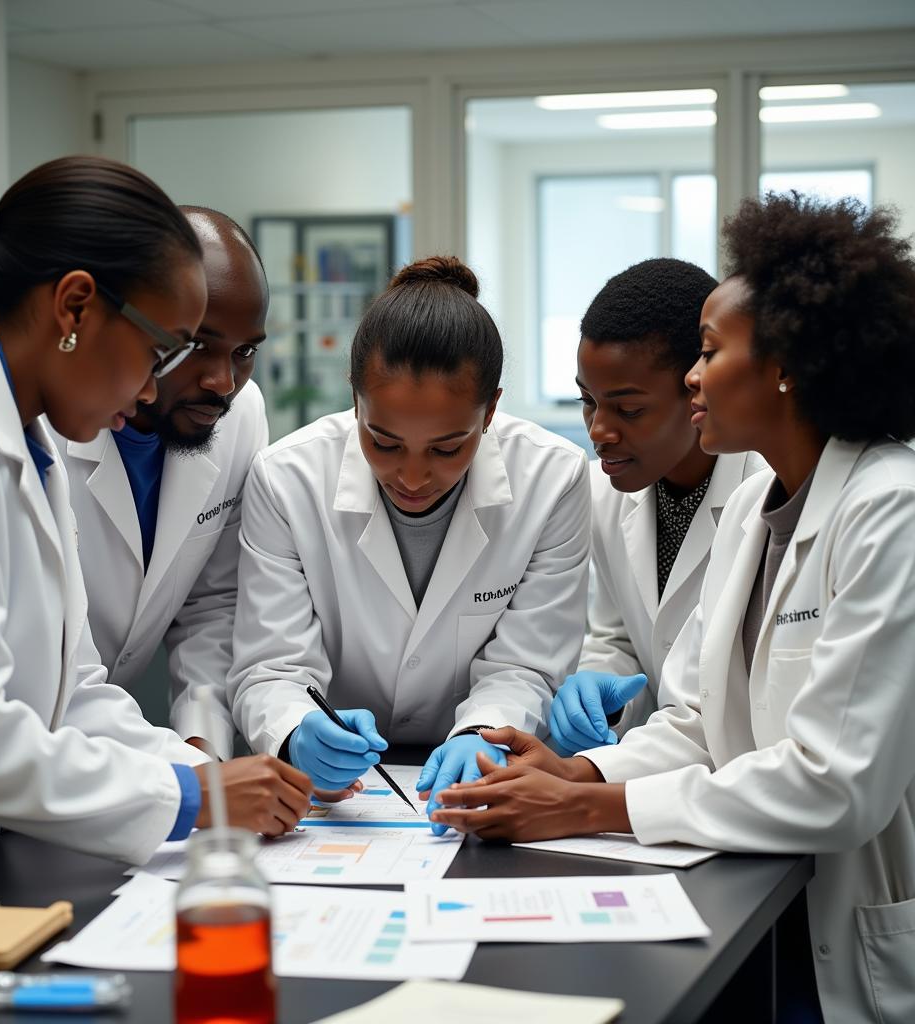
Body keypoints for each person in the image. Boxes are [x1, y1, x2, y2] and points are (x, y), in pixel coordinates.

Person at [432, 193, 915, 1023]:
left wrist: (591, 806)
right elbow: (698, 717)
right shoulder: (769, 499)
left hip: (855, 920)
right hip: (761, 904)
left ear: (787, 365)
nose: (693, 375)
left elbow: (839, 784)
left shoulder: (891, 509)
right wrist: (574, 768)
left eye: (709, 350)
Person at [0, 157, 311, 883]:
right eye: (159, 351)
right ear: (76, 306)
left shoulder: (30, 436)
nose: (155, 385)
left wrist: (202, 773)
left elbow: (72, 689)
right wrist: (191, 795)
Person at [228, 256, 590, 830]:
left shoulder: (553, 479)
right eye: (384, 442)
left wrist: (481, 735)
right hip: (340, 800)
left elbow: (527, 663)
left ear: (491, 410)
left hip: (476, 780)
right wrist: (297, 732)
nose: (414, 477)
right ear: (355, 402)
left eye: (447, 448)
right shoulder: (287, 478)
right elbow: (273, 666)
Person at [54, 207, 268, 759]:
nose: (224, 382)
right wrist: (194, 783)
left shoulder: (238, 416)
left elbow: (214, 603)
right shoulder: (47, 430)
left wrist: (203, 744)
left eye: (245, 352)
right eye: (197, 345)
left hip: (98, 767)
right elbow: (61, 667)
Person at [551, 258, 765, 753]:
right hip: (660, 766)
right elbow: (621, 638)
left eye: (629, 409)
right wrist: (602, 695)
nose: (598, 431)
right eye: (588, 401)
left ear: (697, 389)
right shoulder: (603, 491)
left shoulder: (763, 490)